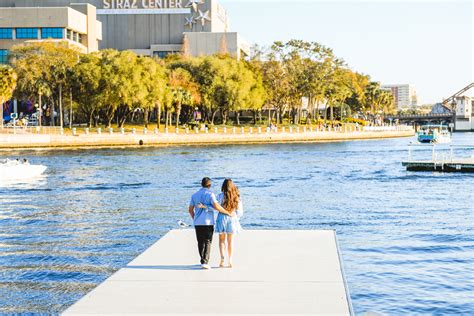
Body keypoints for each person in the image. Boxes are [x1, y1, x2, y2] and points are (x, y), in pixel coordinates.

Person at [188, 177, 233, 270]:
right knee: (208, 241)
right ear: (210, 185)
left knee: (200, 241)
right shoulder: (210, 194)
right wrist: (227, 212)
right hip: (208, 222)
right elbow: (216, 206)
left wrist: (194, 218)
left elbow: (190, 210)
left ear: (201, 184)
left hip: (198, 222)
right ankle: (205, 261)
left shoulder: (194, 195)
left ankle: (202, 260)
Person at [215, 179, 243, 268]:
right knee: (230, 241)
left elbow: (215, 207)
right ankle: (230, 260)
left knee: (221, 240)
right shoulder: (236, 196)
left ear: (223, 186)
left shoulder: (219, 196)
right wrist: (235, 216)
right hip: (232, 218)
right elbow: (240, 212)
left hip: (222, 217)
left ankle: (222, 258)